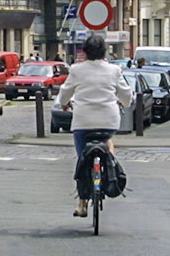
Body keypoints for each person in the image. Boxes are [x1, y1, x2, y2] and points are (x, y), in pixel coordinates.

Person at [56, 34, 133, 218]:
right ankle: (110, 164)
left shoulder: (76, 70)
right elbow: (126, 94)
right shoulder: (114, 70)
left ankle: (82, 205)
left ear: (85, 52)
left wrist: (65, 103)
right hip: (108, 120)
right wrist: (125, 102)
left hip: (83, 121)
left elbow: (65, 93)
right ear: (104, 51)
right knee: (107, 141)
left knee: (83, 158)